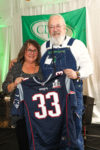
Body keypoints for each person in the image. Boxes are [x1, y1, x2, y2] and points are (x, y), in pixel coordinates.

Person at [40, 14, 93, 150]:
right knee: (52, 133)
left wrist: (77, 73)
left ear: (64, 28)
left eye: (58, 26)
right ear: (48, 29)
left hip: (72, 97)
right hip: (51, 99)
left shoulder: (76, 45)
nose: (55, 29)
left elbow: (89, 67)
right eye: (51, 27)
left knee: (73, 132)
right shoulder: (44, 47)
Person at [2, 39, 42, 150]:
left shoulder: (43, 68)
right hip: (21, 115)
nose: (32, 53)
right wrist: (15, 83)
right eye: (29, 50)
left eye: (35, 51)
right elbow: (5, 88)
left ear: (38, 53)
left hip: (39, 114)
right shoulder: (16, 67)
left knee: (40, 144)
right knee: (24, 143)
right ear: (24, 51)